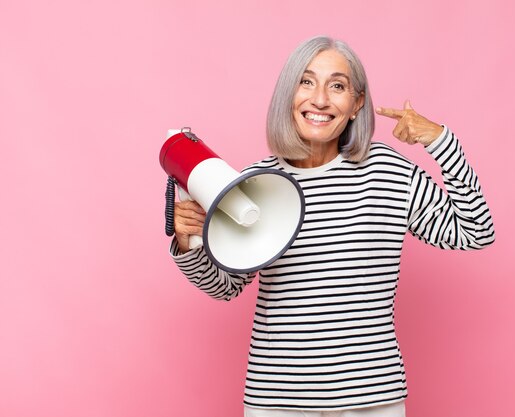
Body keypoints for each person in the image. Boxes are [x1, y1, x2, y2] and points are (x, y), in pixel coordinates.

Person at [170, 35, 495, 417]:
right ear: (288, 96)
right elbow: (225, 287)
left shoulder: (386, 171)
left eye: (337, 86)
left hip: (372, 398)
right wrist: (189, 239)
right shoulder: (254, 184)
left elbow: (475, 230)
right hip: (278, 399)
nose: (320, 99)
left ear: (357, 104)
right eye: (306, 82)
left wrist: (441, 140)